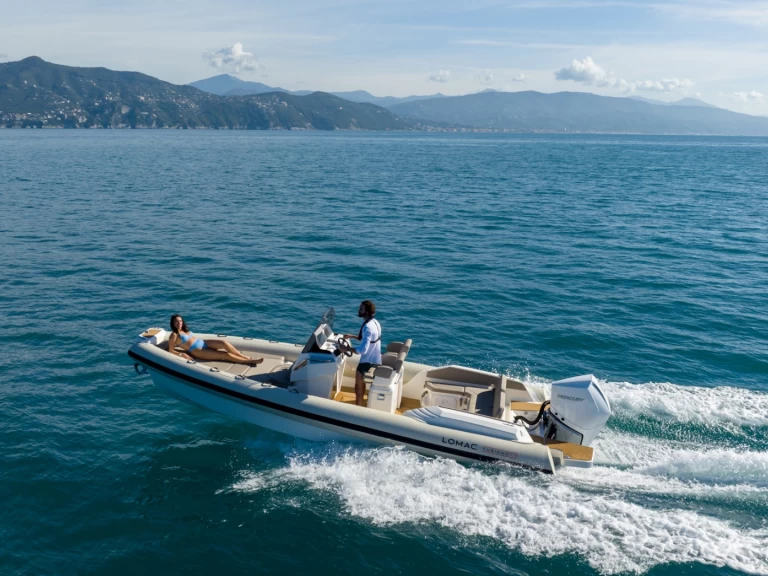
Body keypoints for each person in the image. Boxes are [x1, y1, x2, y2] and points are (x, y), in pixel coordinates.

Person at [167, 314, 263, 366]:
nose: (178, 323)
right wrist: (181, 354)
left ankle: (244, 356)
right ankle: (250, 362)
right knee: (226, 355)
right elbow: (171, 350)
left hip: (203, 343)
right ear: (173, 323)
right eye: (176, 321)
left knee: (224, 343)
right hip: (197, 350)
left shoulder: (185, 330)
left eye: (180, 320)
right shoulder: (174, 335)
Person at [341, 300, 382, 406]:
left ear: (367, 312)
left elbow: (362, 350)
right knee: (361, 382)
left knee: (358, 386)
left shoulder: (367, 327)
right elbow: (369, 340)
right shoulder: (375, 323)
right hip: (376, 358)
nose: (359, 310)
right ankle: (361, 403)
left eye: (361, 309)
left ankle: (358, 407)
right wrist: (352, 336)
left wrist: (346, 349)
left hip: (367, 361)